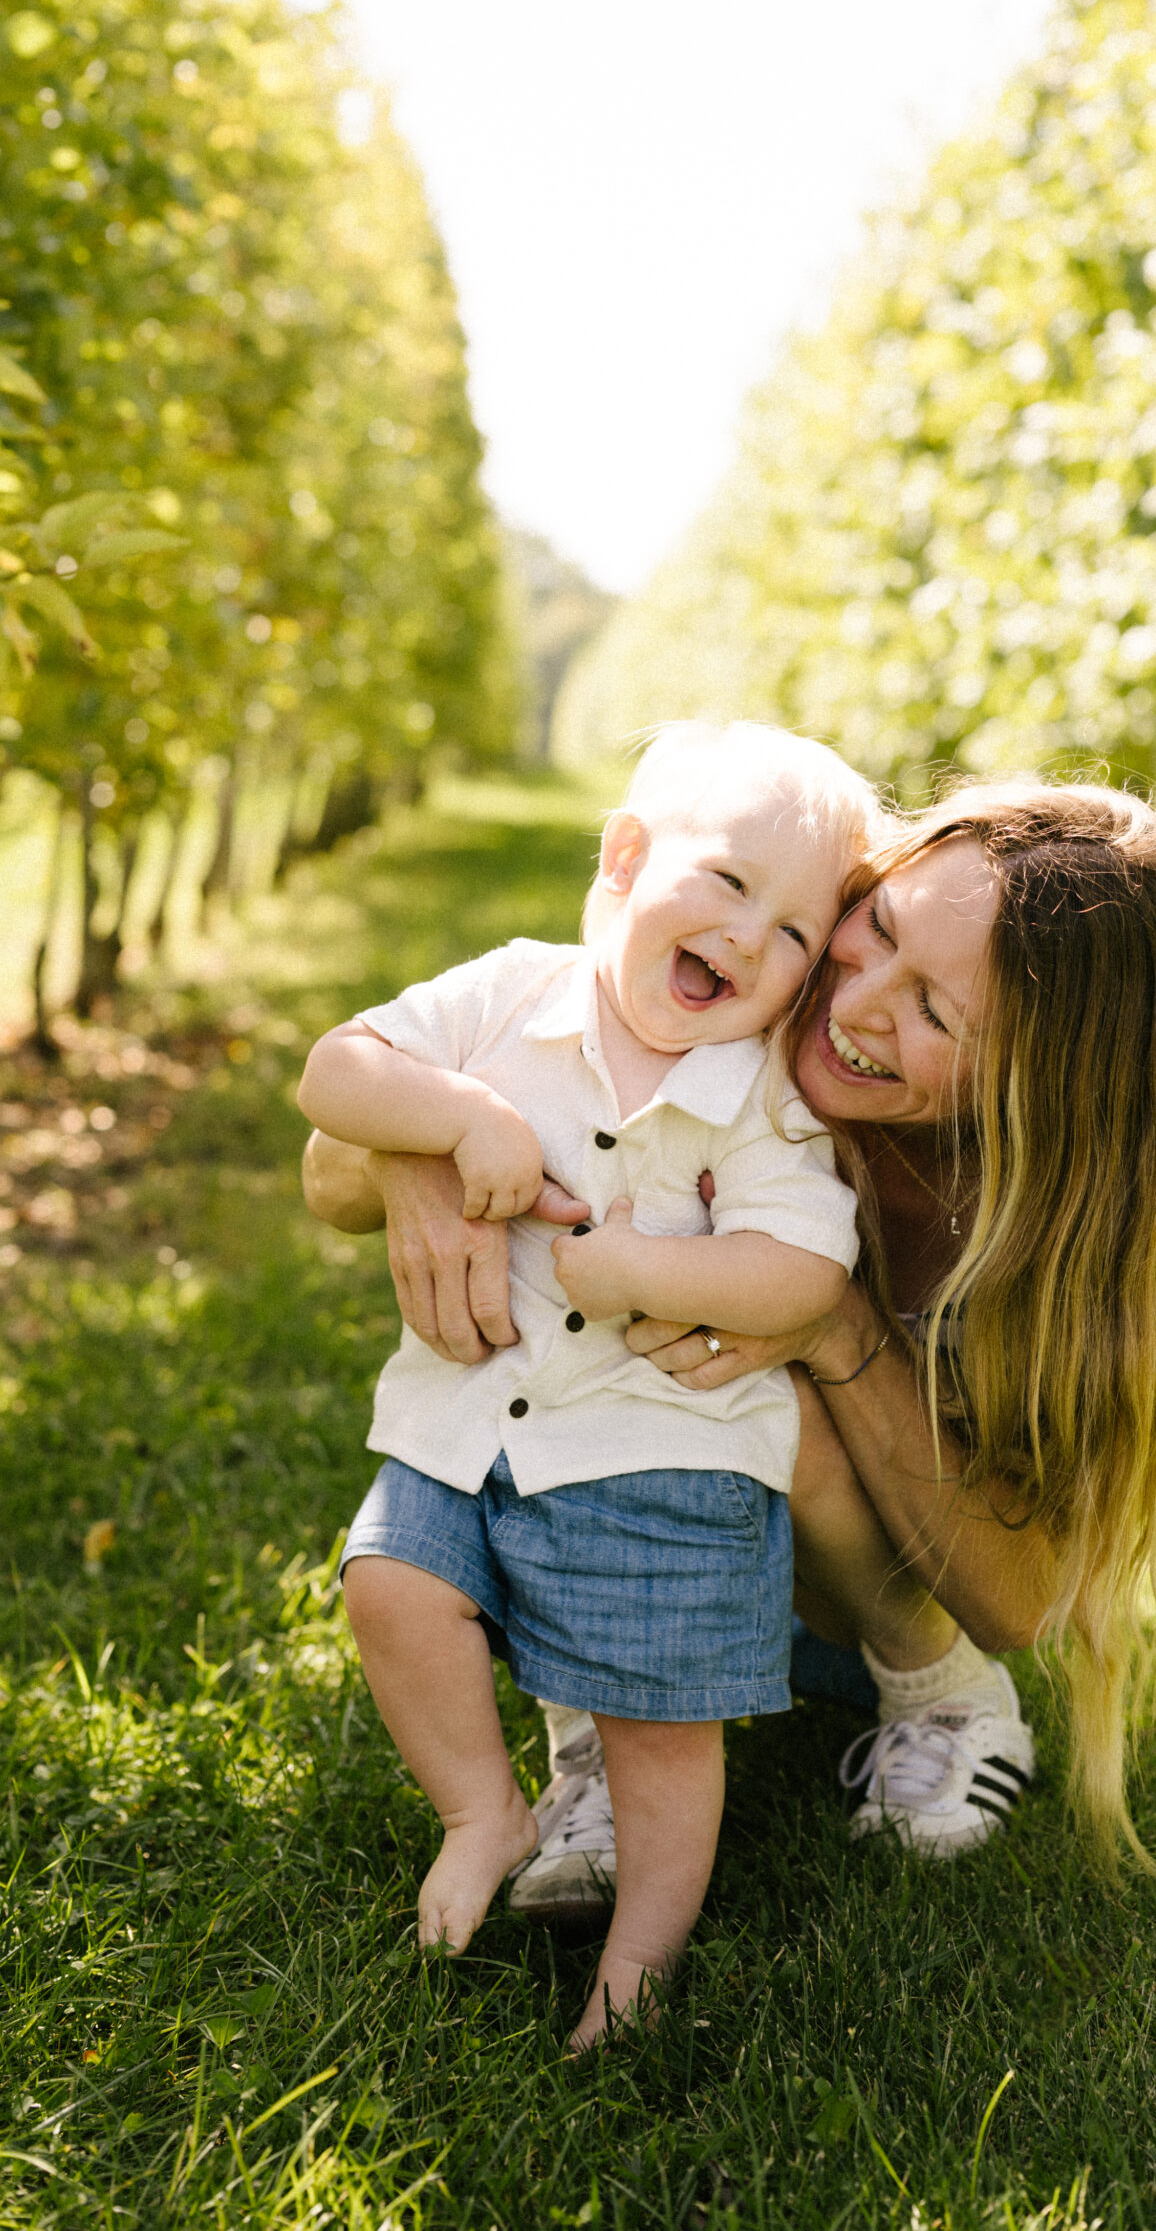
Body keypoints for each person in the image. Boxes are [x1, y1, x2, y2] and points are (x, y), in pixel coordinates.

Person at [304, 773, 1156, 1898]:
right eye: (877, 928)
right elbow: (332, 1167)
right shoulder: (753, 973)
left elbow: (1018, 1596)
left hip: (855, 1587)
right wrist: (427, 1149)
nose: (856, 1005)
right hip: (629, 1531)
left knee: (763, 1384)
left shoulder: (1085, 1219)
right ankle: (601, 1728)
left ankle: (934, 1692)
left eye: (936, 1014)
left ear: (1039, 1082)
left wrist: (828, 1319)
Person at [297, 722, 882, 2050]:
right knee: (388, 1581)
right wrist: (453, 1117)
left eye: (794, 933)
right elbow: (334, 1071)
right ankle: (482, 1812)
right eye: (726, 884)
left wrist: (640, 1268)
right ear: (626, 858)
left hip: (656, 1454)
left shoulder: (757, 1101)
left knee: (660, 1727)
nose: (750, 939)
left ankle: (641, 1967)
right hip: (468, 1426)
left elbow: (803, 1271)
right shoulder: (510, 995)